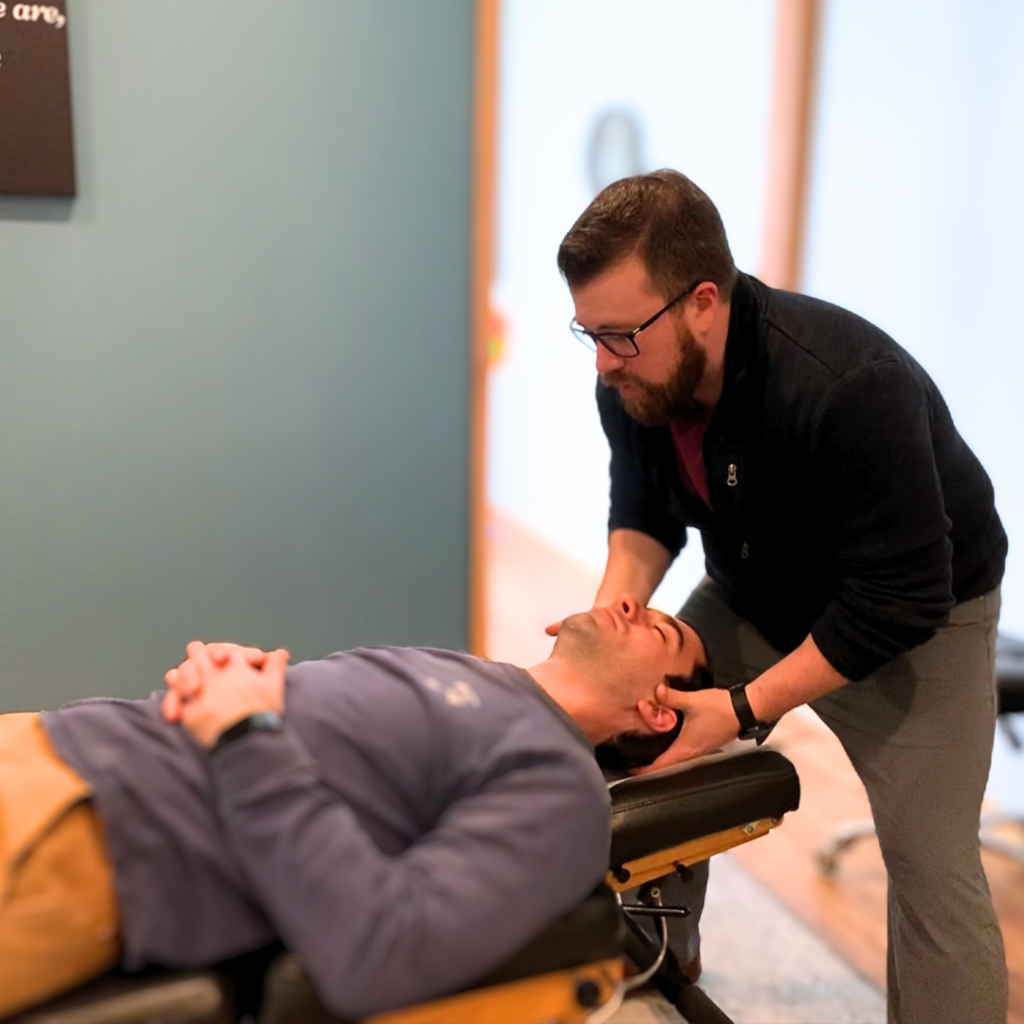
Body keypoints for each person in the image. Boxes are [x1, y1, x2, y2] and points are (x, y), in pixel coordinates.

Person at [552, 169, 1008, 1024]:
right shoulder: (634, 376)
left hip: (920, 615)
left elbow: (901, 595)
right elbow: (644, 513)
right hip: (755, 591)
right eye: (591, 336)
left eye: (621, 335)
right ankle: (656, 980)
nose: (607, 362)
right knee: (637, 748)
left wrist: (740, 706)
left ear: (701, 302)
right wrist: (610, 627)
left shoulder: (842, 386)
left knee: (932, 872)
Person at [0, 595, 704, 1021]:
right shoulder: (466, 670)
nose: (625, 601)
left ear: (655, 712)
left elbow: (382, 951)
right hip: (49, 735)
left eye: (658, 630)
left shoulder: (559, 788)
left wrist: (246, 734)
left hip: (94, 828)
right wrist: (229, 684)